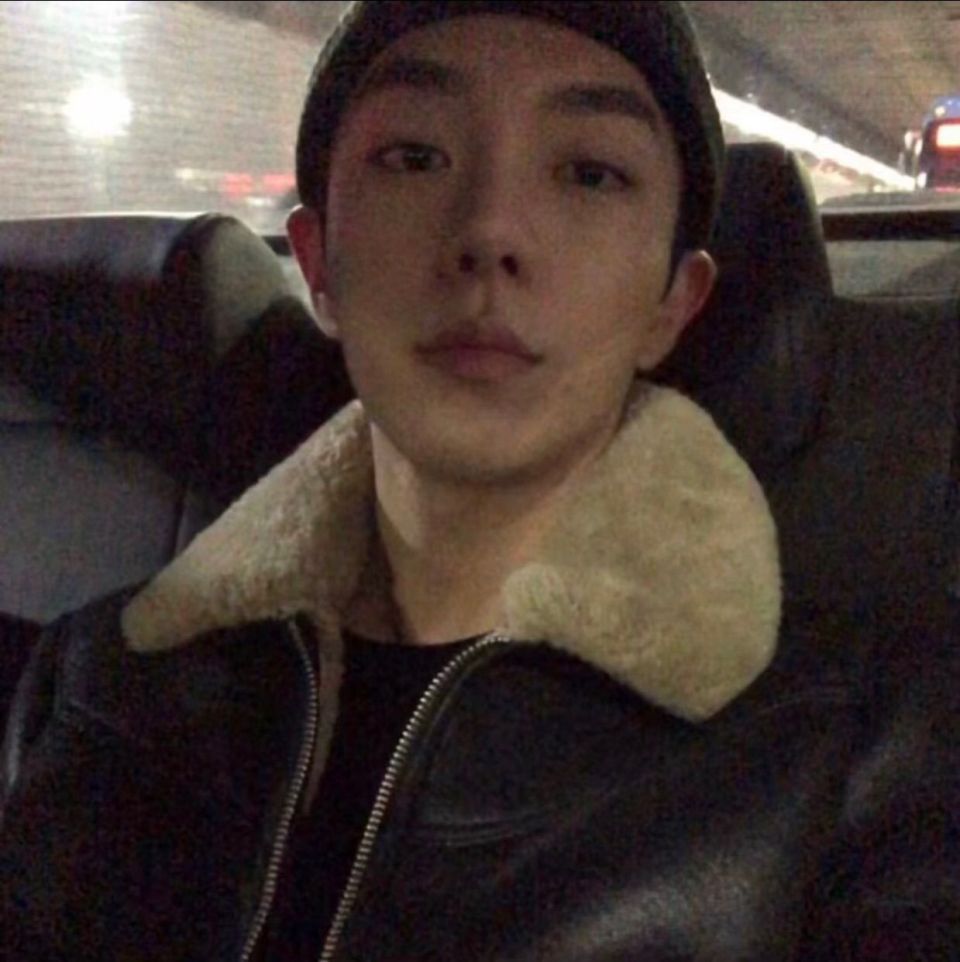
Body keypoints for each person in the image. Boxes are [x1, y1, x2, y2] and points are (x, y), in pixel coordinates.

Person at [1, 3, 956, 960]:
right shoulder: (102, 686)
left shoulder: (860, 749)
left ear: (673, 303)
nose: (491, 231)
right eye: (414, 158)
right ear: (320, 263)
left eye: (589, 173)